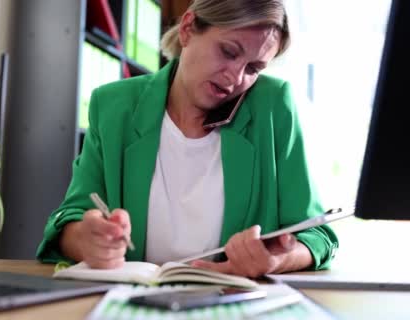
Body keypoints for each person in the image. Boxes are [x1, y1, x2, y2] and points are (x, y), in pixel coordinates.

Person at [36, 0, 338, 278]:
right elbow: (68, 218)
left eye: (254, 68)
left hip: (233, 305)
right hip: (134, 302)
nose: (235, 78)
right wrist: (84, 239)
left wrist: (275, 260)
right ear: (188, 28)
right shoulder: (114, 106)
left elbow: (318, 236)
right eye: (229, 52)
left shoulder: (273, 106)